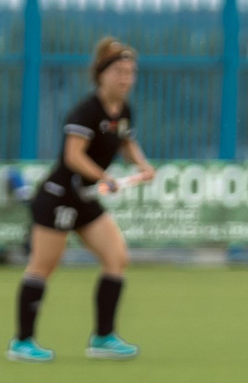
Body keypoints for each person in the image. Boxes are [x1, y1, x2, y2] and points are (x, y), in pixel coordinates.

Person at [11, 36, 153, 362]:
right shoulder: (86, 111)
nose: (125, 78)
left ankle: (102, 338)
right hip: (59, 197)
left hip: (85, 198)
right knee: (43, 266)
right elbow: (73, 157)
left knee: (116, 258)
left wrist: (143, 165)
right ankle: (22, 342)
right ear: (101, 74)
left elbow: (126, 143)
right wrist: (105, 177)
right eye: (119, 71)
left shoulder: (124, 111)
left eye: (130, 72)